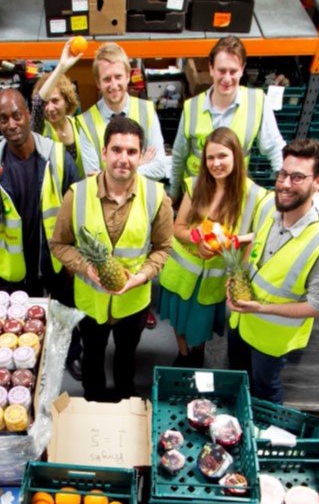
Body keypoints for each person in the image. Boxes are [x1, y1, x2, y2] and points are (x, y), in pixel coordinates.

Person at [50, 117, 173, 402]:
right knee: (93, 355)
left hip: (133, 301)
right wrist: (85, 267)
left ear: (141, 156)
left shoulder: (156, 196)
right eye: (116, 150)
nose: (123, 159)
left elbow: (163, 248)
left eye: (131, 152)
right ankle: (93, 398)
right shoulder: (77, 194)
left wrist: (140, 277)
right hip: (91, 301)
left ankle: (124, 399)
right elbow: (59, 244)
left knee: (126, 356)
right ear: (104, 152)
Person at [226, 138, 319, 405]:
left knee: (265, 388)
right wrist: (237, 278)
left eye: (298, 177)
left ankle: (262, 434)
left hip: (271, 337)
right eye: (283, 174)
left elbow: (318, 306)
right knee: (236, 376)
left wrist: (261, 309)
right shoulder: (270, 207)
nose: (286, 184)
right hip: (241, 321)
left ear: (318, 181)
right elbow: (257, 244)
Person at [160, 128, 270, 368]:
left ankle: (196, 355)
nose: (216, 163)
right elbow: (178, 228)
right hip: (182, 274)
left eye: (222, 156)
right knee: (178, 321)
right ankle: (183, 354)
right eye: (210, 158)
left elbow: (262, 234)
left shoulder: (256, 196)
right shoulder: (195, 185)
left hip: (214, 280)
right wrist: (196, 238)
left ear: (236, 156)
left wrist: (235, 240)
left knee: (199, 328)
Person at [0, 89, 79, 301]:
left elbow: (78, 209)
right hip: (18, 268)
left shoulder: (56, 156)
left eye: (16, 116)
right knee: (28, 329)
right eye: (3, 119)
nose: (11, 125)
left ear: (28, 114)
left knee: (66, 323)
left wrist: (74, 257)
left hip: (56, 261)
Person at [169, 36, 285, 201]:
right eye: (221, 71)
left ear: (242, 69)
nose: (227, 78)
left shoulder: (257, 101)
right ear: (211, 68)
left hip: (234, 194)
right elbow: (179, 155)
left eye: (233, 71)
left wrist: (282, 189)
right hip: (197, 194)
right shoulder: (191, 107)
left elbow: (275, 148)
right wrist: (174, 194)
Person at [77, 42, 169, 182]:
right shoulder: (86, 122)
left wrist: (108, 173)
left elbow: (160, 168)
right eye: (107, 79)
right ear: (98, 83)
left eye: (118, 77)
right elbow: (93, 180)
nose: (113, 85)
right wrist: (138, 164)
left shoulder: (147, 110)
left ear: (127, 76)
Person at [33, 40, 88, 179]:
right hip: (54, 199)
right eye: (47, 103)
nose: (50, 108)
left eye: (55, 101)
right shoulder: (39, 129)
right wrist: (61, 67)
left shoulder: (79, 125)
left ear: (67, 100)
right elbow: (38, 103)